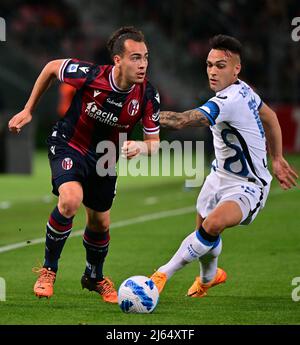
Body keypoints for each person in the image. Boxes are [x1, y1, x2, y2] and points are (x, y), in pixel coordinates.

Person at [8, 26, 160, 303]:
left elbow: (154, 142)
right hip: (70, 143)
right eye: (136, 58)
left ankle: (93, 277)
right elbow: (52, 68)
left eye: (146, 57)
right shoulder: (91, 75)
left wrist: (141, 146)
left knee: (100, 223)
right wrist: (29, 109)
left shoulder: (147, 95)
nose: (143, 65)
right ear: (118, 60)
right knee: (70, 200)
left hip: (105, 159)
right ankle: (48, 270)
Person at [150, 34, 298, 298]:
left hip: (249, 185)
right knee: (204, 233)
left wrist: (143, 114)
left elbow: (184, 120)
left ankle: (161, 275)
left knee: (213, 224)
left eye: (220, 65)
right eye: (209, 65)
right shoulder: (244, 89)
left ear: (235, 68)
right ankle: (209, 279)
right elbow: (271, 116)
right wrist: (277, 157)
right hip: (218, 176)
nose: (212, 71)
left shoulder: (230, 100)